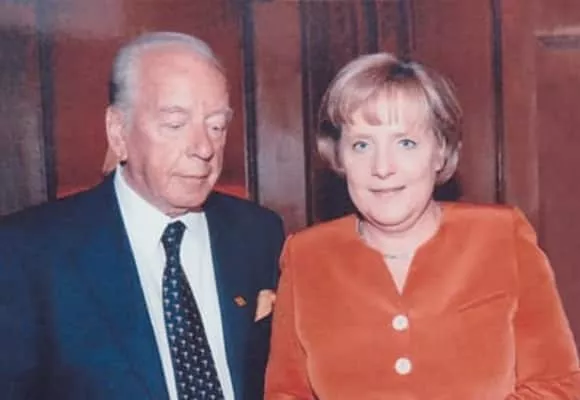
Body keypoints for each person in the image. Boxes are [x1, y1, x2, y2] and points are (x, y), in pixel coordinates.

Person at [264, 52, 580, 399]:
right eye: (362, 145)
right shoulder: (305, 256)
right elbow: (286, 393)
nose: (382, 167)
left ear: (440, 151)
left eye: (406, 143)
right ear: (340, 157)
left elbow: (558, 386)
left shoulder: (502, 237)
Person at [0, 32, 285, 400]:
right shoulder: (28, 253)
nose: (204, 148)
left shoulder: (259, 233)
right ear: (118, 132)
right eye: (175, 124)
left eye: (216, 126)